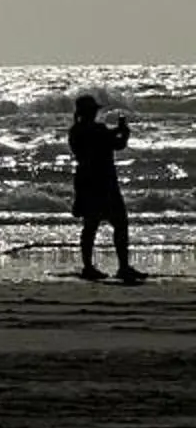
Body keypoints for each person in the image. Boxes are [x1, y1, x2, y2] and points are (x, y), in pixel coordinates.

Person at [68, 93, 145, 285]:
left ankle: (88, 266)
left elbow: (104, 141)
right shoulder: (97, 130)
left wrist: (118, 133)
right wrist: (124, 133)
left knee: (90, 226)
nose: (95, 113)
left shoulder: (75, 131)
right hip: (104, 181)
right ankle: (123, 266)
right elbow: (117, 145)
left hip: (86, 180)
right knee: (120, 223)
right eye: (93, 110)